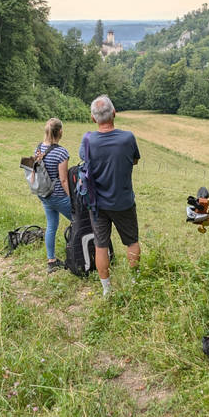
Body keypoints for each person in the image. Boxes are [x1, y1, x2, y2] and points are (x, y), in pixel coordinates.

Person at [80, 95, 140, 296]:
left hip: (97, 204)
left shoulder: (88, 140)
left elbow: (85, 162)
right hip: (123, 202)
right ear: (114, 113)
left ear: (93, 118)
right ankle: (134, 281)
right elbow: (134, 161)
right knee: (131, 241)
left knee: (101, 244)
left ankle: (107, 290)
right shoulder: (128, 138)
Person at [33, 118, 72, 272]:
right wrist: (71, 198)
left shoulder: (38, 149)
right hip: (58, 196)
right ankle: (81, 252)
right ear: (60, 132)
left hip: (44, 195)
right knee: (80, 221)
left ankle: (51, 261)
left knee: (51, 225)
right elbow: (63, 179)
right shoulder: (61, 152)